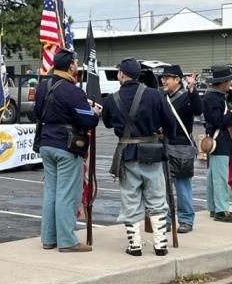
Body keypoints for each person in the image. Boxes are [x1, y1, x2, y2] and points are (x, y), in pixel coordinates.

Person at [102, 57, 175, 257]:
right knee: (158, 198)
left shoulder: (112, 99)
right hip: (152, 151)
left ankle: (135, 245)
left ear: (122, 74)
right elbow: (170, 124)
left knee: (130, 199)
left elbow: (107, 123)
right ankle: (161, 244)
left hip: (127, 154)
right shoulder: (155, 95)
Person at [34, 48, 101, 252]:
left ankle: (48, 238)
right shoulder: (73, 91)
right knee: (66, 194)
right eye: (75, 62)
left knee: (51, 192)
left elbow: (36, 112)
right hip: (67, 145)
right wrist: (95, 113)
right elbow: (87, 120)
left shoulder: (43, 86)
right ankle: (66, 241)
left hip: (46, 142)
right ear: (70, 65)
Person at [161, 65, 202, 233]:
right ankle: (167, 219)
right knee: (165, 186)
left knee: (183, 185)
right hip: (164, 144)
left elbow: (198, 110)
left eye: (167, 78)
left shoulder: (187, 96)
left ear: (177, 80)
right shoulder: (161, 97)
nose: (164, 81)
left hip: (182, 145)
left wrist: (192, 88)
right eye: (163, 78)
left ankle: (186, 219)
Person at [203, 65, 232, 222]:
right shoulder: (213, 98)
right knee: (220, 176)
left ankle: (214, 208)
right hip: (220, 140)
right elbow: (218, 120)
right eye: (228, 81)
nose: (230, 84)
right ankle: (221, 210)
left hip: (216, 140)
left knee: (213, 176)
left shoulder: (216, 96)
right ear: (222, 82)